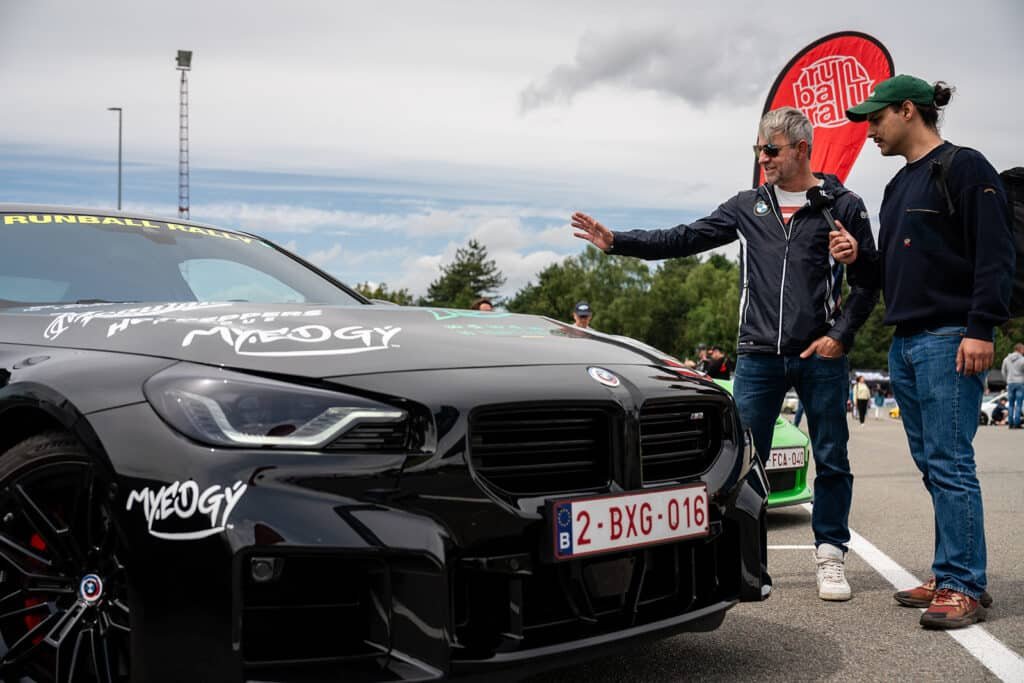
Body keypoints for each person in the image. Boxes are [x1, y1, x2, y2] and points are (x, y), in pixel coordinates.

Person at [573, 106, 880, 602]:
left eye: (772, 149)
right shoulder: (747, 205)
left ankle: (830, 555)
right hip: (758, 354)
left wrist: (841, 333)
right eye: (758, 149)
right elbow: (684, 238)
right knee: (742, 461)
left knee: (832, 456)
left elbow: (870, 281)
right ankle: (746, 559)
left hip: (821, 353)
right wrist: (618, 242)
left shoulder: (842, 204)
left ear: (803, 149)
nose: (763, 158)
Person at [833, 74, 1012, 628]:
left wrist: (981, 328)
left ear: (908, 110)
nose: (869, 133)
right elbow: (889, 271)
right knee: (934, 465)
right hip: (906, 341)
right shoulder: (898, 185)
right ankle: (951, 570)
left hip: (950, 338)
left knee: (952, 463)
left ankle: (963, 584)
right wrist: (856, 257)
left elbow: (995, 254)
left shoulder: (964, 166)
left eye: (875, 120)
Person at [1000, 343, 1024, 429]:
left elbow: (1003, 371)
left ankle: (1010, 423)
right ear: (1020, 349)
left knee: (1010, 404)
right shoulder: (1022, 360)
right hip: (1020, 383)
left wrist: (1007, 380)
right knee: (1018, 404)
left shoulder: (1006, 359)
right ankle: (1017, 423)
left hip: (1010, 383)